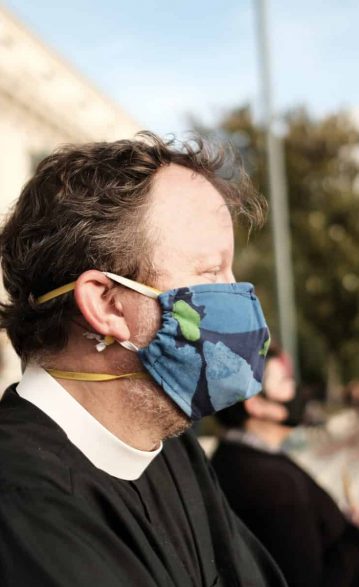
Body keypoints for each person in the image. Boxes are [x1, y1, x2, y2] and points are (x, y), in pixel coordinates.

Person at [0, 134, 286, 586]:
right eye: (211, 271)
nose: (241, 296)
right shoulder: (22, 504)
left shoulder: (166, 443)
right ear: (108, 304)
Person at [211, 345, 359, 587]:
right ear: (256, 405)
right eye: (285, 381)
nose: (296, 389)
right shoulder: (275, 486)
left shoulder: (230, 457)